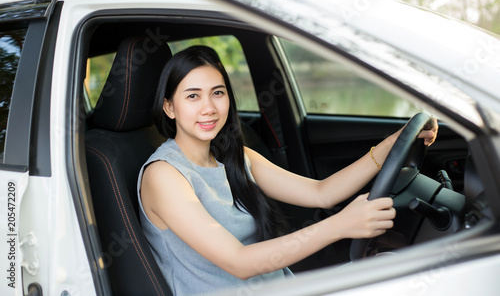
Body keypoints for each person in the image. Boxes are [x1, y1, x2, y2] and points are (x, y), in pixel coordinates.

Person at [137, 45, 438, 295]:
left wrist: (390, 146)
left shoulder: (236, 157)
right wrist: (339, 226)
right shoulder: (164, 175)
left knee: (403, 274)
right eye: (193, 96)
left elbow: (322, 192)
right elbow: (239, 262)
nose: (209, 108)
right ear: (169, 108)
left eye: (218, 93)